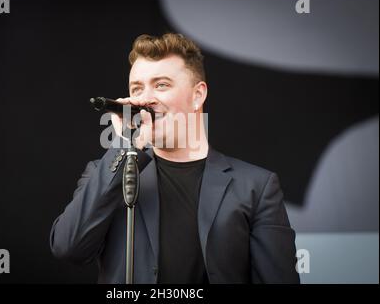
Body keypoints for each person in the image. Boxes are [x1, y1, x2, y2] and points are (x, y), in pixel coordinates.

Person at [50, 33, 299, 284]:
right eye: (137, 88)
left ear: (198, 95)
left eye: (161, 85)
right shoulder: (105, 174)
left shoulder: (256, 186)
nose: (145, 98)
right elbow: (68, 247)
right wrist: (124, 147)